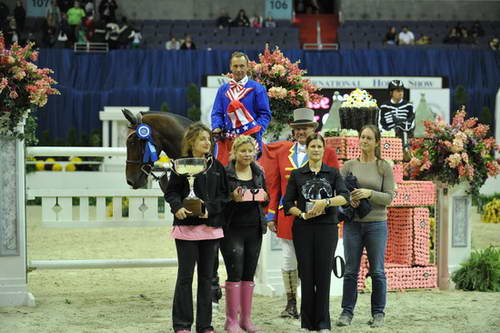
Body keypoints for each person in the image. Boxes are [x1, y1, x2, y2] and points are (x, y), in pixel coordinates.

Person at [260, 108, 340, 320]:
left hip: (320, 215)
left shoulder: (327, 153)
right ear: (293, 131)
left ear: (314, 129)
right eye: (298, 129)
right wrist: (270, 215)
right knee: (288, 259)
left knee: (311, 261)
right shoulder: (281, 153)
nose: (301, 132)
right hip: (289, 214)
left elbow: (334, 184)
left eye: (305, 128)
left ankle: (310, 302)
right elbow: (275, 186)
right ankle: (291, 303)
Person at [164, 122, 229, 333]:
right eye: (202, 139)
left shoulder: (217, 167)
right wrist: (177, 207)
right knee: (185, 277)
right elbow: (172, 192)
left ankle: (205, 325)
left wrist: (208, 210)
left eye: (209, 139)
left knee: (207, 278)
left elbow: (223, 197)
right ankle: (182, 325)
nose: (207, 143)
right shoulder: (180, 165)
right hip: (186, 230)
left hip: (210, 229)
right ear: (191, 141)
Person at [283, 133, 349, 332]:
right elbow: (286, 204)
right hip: (303, 228)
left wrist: (326, 202)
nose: (316, 150)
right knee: (307, 275)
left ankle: (323, 323)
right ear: (307, 149)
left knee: (323, 276)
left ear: (323, 149)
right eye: (312, 146)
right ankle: (307, 323)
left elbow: (344, 197)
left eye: (319, 146)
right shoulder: (297, 174)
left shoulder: (333, 173)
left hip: (327, 228)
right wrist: (302, 215)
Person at [336, 125, 395, 328]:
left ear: (377, 142)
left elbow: (389, 198)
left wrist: (369, 193)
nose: (365, 141)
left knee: (377, 270)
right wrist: (348, 200)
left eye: (369, 138)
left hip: (377, 224)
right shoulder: (349, 166)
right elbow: (339, 192)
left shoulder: (384, 167)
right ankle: (346, 312)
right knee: (351, 270)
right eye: (362, 137)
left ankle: (378, 313)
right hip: (353, 225)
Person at [221, 135, 269, 333]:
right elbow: (219, 200)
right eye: (243, 151)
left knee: (249, 273)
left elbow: (266, 199)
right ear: (235, 152)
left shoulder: (259, 172)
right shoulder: (226, 173)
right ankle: (231, 320)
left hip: (254, 229)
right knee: (235, 272)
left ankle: (246, 320)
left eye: (250, 151)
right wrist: (232, 198)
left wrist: (265, 197)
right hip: (232, 228)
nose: (247, 154)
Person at [211, 51, 271, 165]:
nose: (238, 69)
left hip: (250, 142)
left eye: (242, 66)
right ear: (230, 67)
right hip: (227, 142)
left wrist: (256, 131)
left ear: (248, 67)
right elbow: (217, 113)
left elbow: (265, 114)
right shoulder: (223, 89)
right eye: (235, 66)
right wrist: (216, 127)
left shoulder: (257, 88)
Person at [378, 80, 414, 154]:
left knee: (404, 135)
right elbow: (380, 124)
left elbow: (412, 123)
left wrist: (399, 123)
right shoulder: (384, 106)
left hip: (405, 135)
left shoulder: (409, 106)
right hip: (388, 137)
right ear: (391, 92)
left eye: (402, 90)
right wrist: (388, 132)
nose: (400, 93)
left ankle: (406, 153)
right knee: (386, 151)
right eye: (397, 91)